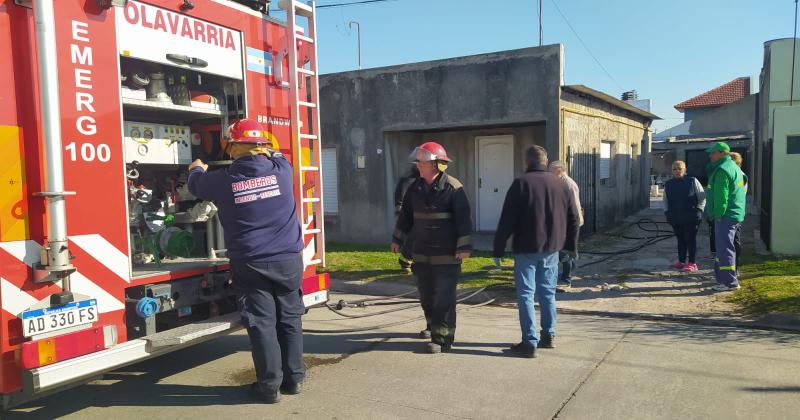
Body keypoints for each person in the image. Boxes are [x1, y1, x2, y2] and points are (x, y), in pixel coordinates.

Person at [188, 119, 305, 403]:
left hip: (252, 263)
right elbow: (277, 153)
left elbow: (195, 187)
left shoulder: (222, 180)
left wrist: (197, 167)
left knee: (262, 323)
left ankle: (269, 387)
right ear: (260, 145)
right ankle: (294, 380)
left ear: (232, 146)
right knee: (289, 319)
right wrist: (266, 147)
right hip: (288, 259)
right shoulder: (282, 170)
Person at [493, 146, 580, 358]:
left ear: (527, 161)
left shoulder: (521, 184)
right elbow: (574, 218)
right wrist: (571, 246)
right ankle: (548, 336)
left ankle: (529, 342)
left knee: (525, 294)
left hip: (526, 248)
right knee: (547, 293)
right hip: (551, 248)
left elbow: (507, 220)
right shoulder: (561, 185)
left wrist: (498, 248)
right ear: (545, 160)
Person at [390, 141, 472, 354]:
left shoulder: (454, 188)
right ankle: (432, 326)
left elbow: (464, 220)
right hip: (423, 255)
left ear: (436, 164)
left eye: (422, 162)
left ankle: (442, 338)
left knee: (444, 298)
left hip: (446, 256)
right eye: (418, 161)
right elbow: (406, 219)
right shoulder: (414, 189)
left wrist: (464, 247)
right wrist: (397, 240)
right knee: (427, 297)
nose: (418, 165)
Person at [704, 142, 746, 292]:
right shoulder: (735, 168)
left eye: (713, 152)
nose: (710, 155)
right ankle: (723, 279)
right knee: (726, 248)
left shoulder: (722, 170)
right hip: (735, 214)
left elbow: (721, 197)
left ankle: (730, 282)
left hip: (725, 216)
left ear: (722, 153)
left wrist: (717, 215)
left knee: (724, 249)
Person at [663, 161, 706, 272]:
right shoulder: (668, 184)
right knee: (680, 239)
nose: (677, 171)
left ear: (685, 169)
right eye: (674, 169)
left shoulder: (692, 181)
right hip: (675, 216)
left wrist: (699, 210)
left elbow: (702, 197)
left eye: (679, 169)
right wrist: (667, 212)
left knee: (690, 239)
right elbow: (665, 200)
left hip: (691, 216)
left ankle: (692, 263)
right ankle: (681, 261)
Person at [548, 160, 584, 291]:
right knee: (566, 250)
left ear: (559, 171)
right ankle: (568, 273)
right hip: (563, 222)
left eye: (550, 170)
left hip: (570, 222)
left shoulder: (568, 184)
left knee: (565, 251)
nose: (548, 172)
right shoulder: (559, 182)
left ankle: (566, 279)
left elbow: (573, 207)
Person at [393, 166, 420, 274]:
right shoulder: (407, 179)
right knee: (413, 238)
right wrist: (400, 212)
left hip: (419, 213)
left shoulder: (423, 179)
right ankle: (405, 260)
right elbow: (400, 197)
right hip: (409, 214)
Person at [728, 152, 748, 274]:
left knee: (735, 240)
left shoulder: (741, 176)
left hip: (734, 212)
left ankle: (735, 268)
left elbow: (739, 193)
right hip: (730, 212)